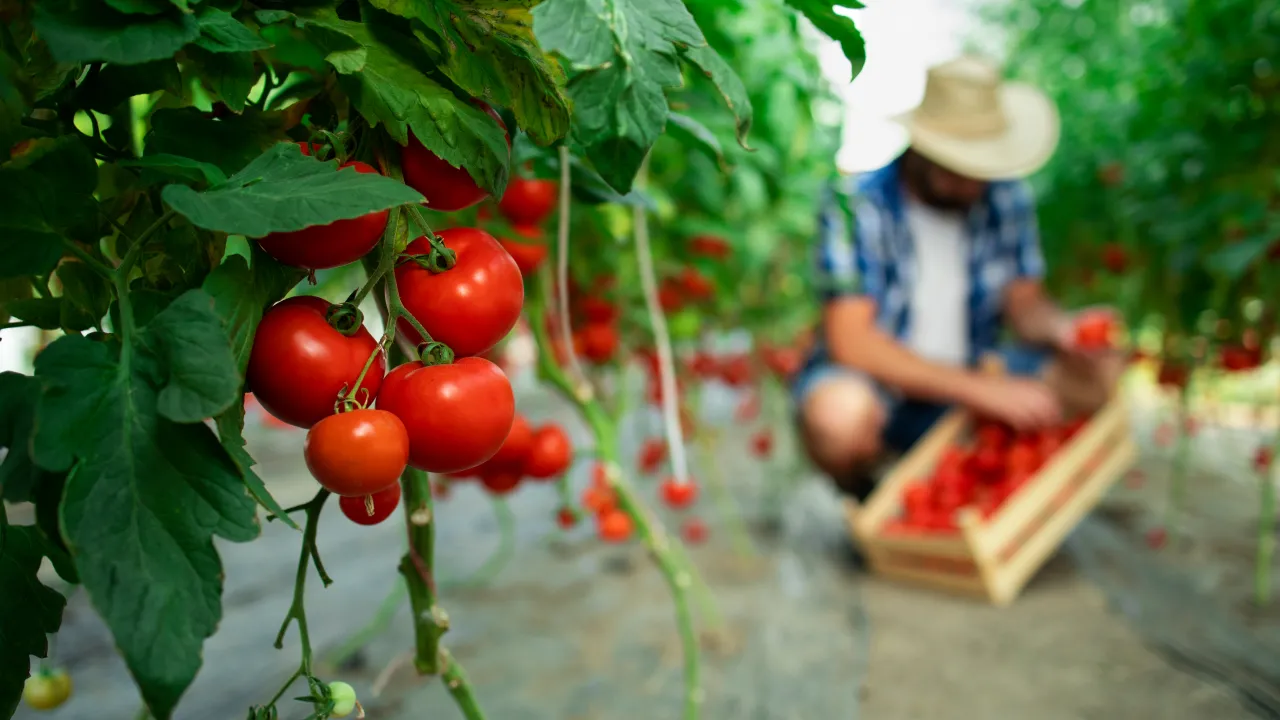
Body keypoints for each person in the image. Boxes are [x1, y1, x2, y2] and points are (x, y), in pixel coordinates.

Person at [793, 55, 1123, 500]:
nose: (973, 183)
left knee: (1101, 372)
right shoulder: (854, 205)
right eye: (959, 167)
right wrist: (981, 389)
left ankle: (987, 481)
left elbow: (1025, 304)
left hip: (973, 376)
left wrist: (1062, 328)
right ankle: (867, 489)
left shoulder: (1005, 198)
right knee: (838, 416)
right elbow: (851, 341)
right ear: (922, 148)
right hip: (885, 392)